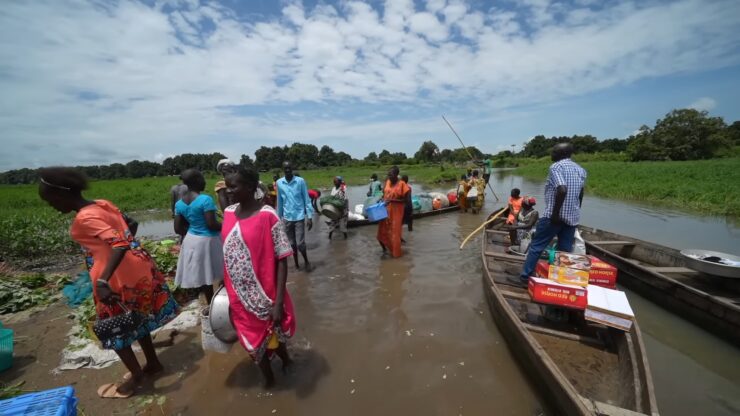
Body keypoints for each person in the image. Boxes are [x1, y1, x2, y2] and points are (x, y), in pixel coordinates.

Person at [38, 167, 178, 399]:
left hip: (115, 278)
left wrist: (103, 278)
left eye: (50, 200)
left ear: (60, 194)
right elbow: (129, 225)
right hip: (138, 269)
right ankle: (152, 363)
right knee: (134, 317)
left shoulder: (85, 217)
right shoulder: (102, 204)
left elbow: (119, 244)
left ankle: (137, 376)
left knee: (112, 328)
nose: (51, 206)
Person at [222, 167, 295, 388]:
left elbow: (282, 258)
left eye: (234, 186)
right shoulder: (228, 213)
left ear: (251, 187)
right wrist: (223, 287)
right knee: (252, 342)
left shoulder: (267, 216)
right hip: (238, 296)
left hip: (267, 294)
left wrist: (279, 302)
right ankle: (268, 378)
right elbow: (228, 253)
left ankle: (286, 360)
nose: (228, 190)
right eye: (227, 185)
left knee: (273, 334)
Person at [514, 143, 587, 286]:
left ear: (562, 153)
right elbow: (581, 194)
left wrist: (555, 214)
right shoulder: (581, 170)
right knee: (564, 252)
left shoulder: (556, 167)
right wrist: (575, 211)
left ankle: (525, 278)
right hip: (571, 219)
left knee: (536, 247)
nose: (551, 153)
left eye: (554, 151)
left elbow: (562, 189)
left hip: (554, 217)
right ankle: (561, 282)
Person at [173, 169, 223, 304]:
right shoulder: (205, 199)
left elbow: (178, 229)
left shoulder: (179, 204)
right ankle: (222, 303)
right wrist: (226, 225)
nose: (205, 181)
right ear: (196, 181)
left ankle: (211, 305)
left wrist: (194, 229)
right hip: (209, 241)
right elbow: (211, 224)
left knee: (205, 278)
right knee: (222, 273)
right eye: (202, 178)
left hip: (191, 241)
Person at [276, 161, 314, 271]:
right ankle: (297, 265)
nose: (287, 170)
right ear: (283, 169)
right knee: (292, 244)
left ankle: (306, 261)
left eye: (289, 168)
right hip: (287, 218)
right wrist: (279, 219)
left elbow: (306, 200)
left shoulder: (300, 181)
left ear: (292, 168)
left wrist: (310, 217)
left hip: (299, 217)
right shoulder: (279, 183)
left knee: (300, 244)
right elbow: (280, 202)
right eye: (285, 168)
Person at [377, 166, 411, 258]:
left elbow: (406, 201)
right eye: (388, 174)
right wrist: (381, 199)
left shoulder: (402, 185)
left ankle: (396, 256)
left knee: (395, 235)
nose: (389, 176)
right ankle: (385, 250)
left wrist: (392, 201)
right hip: (385, 212)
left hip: (396, 213)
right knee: (380, 234)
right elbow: (384, 194)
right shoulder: (387, 182)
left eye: (391, 175)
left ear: (396, 175)